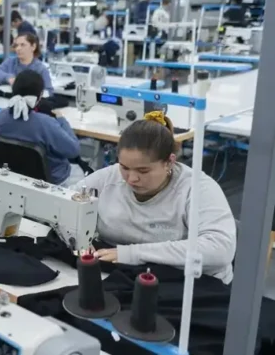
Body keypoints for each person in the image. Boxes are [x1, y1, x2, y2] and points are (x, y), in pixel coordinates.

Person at [78, 112, 236, 284]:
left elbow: (220, 249)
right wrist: (79, 237)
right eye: (124, 167)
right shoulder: (108, 178)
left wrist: (133, 254)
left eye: (143, 171)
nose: (131, 179)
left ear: (169, 162)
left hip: (192, 284)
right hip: (126, 274)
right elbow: (63, 200)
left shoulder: (197, 189)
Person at [0, 70, 84, 186]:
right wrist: (61, 119)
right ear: (40, 96)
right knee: (82, 173)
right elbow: (74, 150)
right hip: (51, 182)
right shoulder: (46, 123)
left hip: (14, 177)